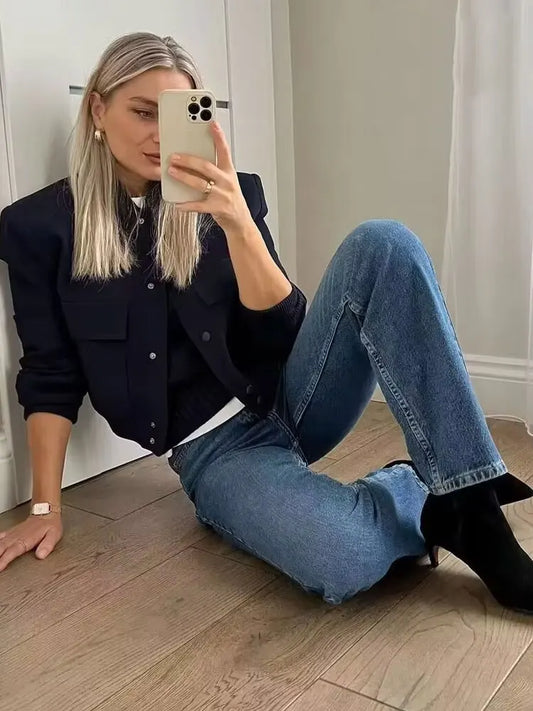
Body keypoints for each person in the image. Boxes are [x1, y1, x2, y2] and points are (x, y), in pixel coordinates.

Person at [0, 32, 532, 613]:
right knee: (343, 555)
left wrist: (237, 224)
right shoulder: (40, 228)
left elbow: (283, 333)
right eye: (143, 112)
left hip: (296, 395)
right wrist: (45, 507)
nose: (159, 135)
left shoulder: (235, 196)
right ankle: (422, 500)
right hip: (216, 451)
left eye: (175, 116)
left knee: (383, 244)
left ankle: (474, 504)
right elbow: (49, 373)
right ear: (98, 110)